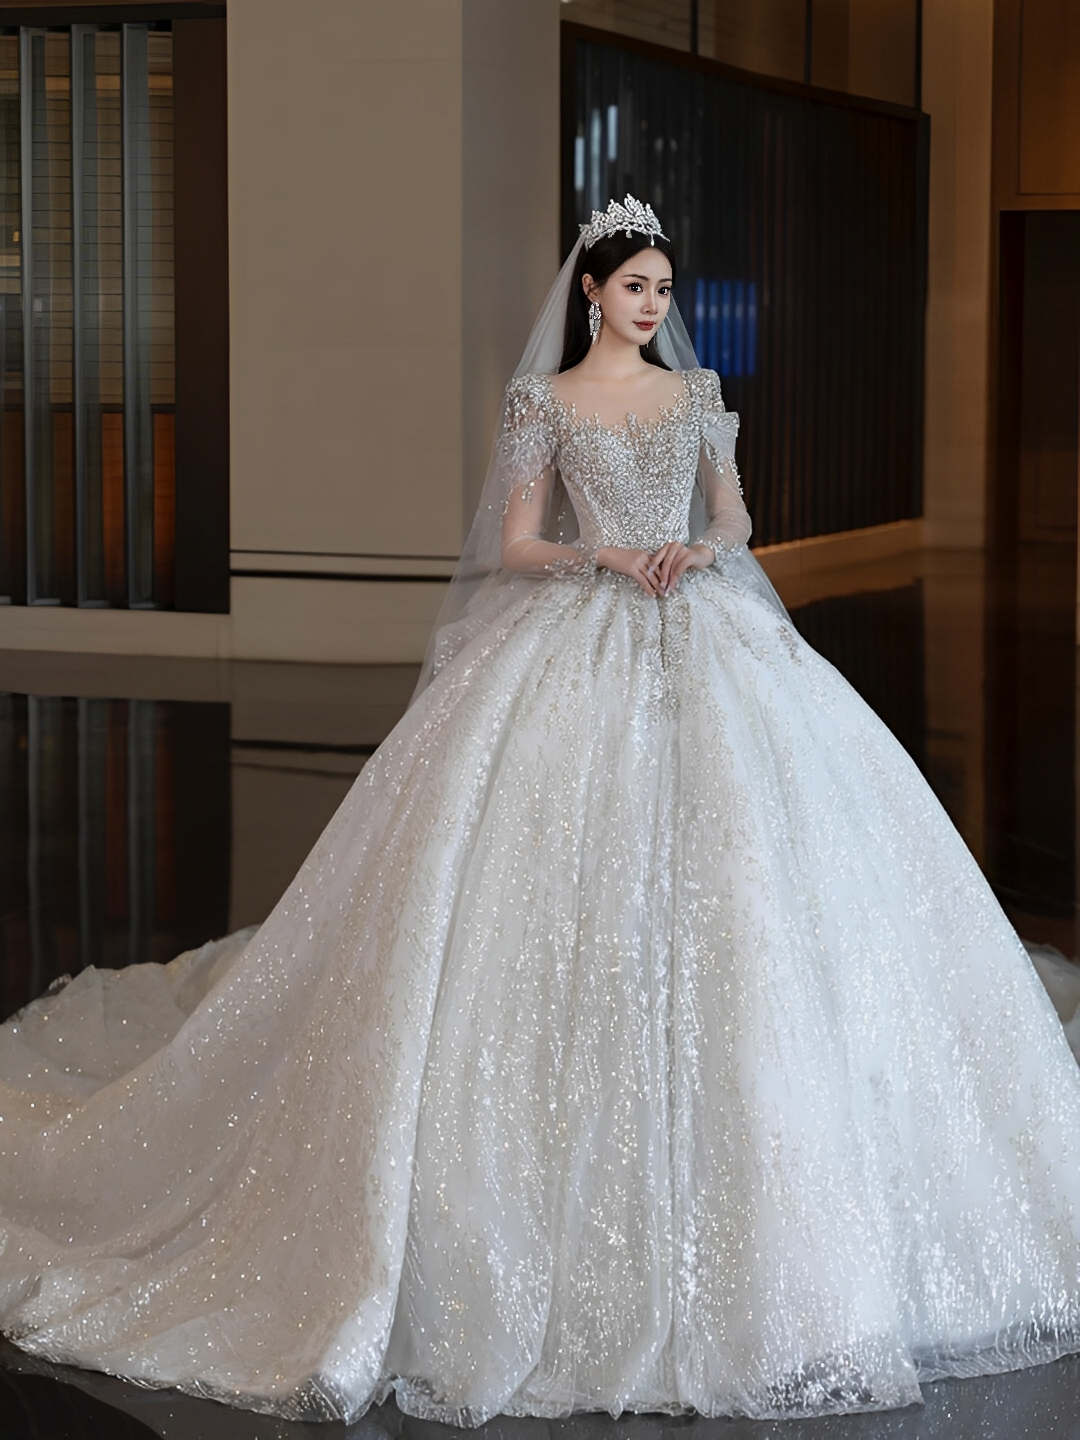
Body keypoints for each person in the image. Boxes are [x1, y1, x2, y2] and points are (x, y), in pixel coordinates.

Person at [2, 195, 1080, 1429]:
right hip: (583, 628)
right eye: (636, 288)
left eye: (664, 289)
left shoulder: (697, 393)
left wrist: (703, 550)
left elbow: (735, 511)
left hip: (704, 623)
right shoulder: (544, 403)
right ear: (592, 292)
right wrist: (608, 557)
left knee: (755, 876)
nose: (654, 306)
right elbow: (515, 543)